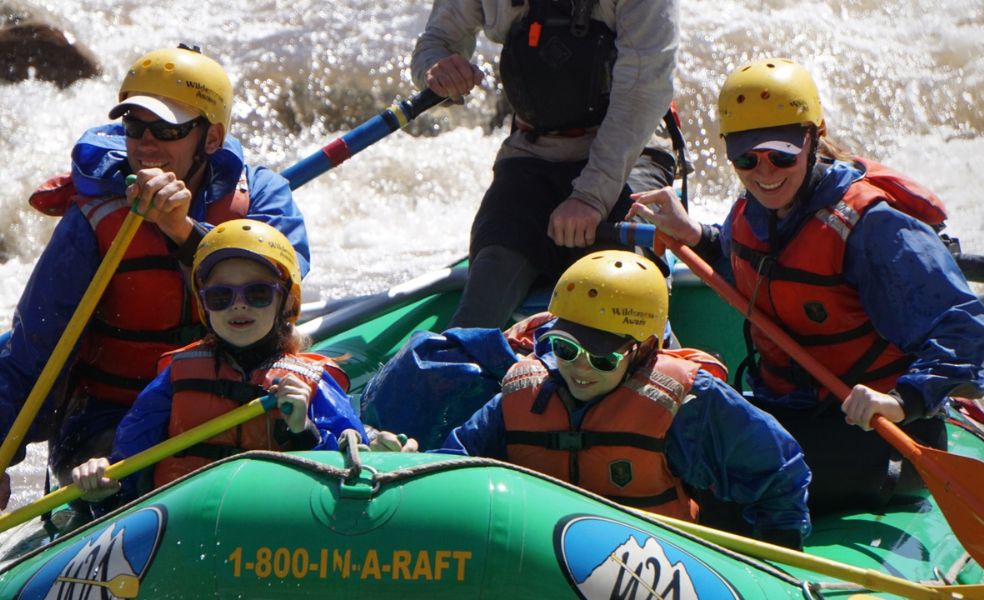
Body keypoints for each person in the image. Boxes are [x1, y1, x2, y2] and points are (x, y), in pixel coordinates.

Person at [629, 58, 984, 514]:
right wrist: (695, 236)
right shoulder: (757, 210)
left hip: (878, 437)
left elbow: (966, 327)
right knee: (658, 436)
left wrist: (902, 400)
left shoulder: (871, 226)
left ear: (813, 138)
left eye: (782, 156)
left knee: (723, 476)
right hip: (792, 412)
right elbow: (753, 269)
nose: (764, 172)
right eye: (746, 158)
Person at [0, 45, 310, 509]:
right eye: (135, 127)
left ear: (210, 138)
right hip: (109, 417)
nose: (145, 144)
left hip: (236, 400)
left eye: (167, 129)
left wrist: (183, 231)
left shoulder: (262, 197)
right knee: (124, 488)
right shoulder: (95, 216)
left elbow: (284, 277)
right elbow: (33, 345)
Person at [436, 250, 812, 548]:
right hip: (542, 563)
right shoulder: (522, 393)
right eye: (565, 349)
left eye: (602, 358)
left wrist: (782, 548)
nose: (580, 368)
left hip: (655, 566)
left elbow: (780, 471)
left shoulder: (690, 403)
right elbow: (454, 466)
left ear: (643, 350)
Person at [412, 0, 679, 328]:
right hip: (532, 153)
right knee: (488, 285)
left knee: (613, 292)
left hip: (632, 155)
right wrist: (437, 67)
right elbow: (437, 40)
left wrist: (590, 196)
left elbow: (643, 91)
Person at [71, 220, 366, 505]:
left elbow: (356, 470)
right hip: (185, 518)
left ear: (286, 302)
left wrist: (304, 429)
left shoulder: (311, 382)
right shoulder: (177, 377)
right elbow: (127, 465)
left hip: (279, 525)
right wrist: (101, 482)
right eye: (220, 295)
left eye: (258, 293)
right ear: (204, 305)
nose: (239, 304)